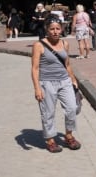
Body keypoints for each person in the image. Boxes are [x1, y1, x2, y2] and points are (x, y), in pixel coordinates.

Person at [30, 18, 82, 153]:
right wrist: (37, 88)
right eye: (52, 29)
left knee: (72, 108)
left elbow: (67, 64)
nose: (55, 32)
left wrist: (73, 79)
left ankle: (68, 135)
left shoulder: (65, 43)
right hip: (47, 83)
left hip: (65, 81)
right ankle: (50, 140)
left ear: (61, 29)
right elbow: (35, 68)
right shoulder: (39, 45)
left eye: (57, 28)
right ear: (47, 29)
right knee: (48, 112)